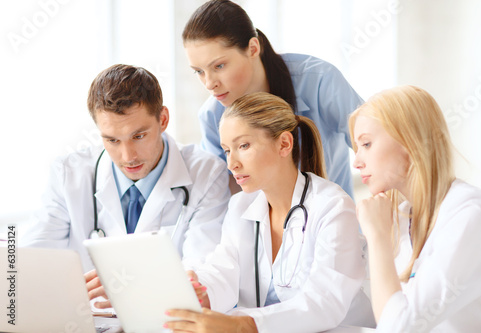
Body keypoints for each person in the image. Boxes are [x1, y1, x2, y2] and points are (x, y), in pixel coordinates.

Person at [165, 92, 375, 333]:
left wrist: (245, 324)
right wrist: (201, 291)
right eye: (226, 150)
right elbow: (224, 270)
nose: (231, 163)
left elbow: (324, 303)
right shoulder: (241, 205)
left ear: (284, 144)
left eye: (243, 146)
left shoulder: (332, 207)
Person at [21, 64, 231, 305]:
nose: (127, 156)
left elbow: (201, 276)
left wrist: (134, 290)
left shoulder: (207, 172)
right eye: (112, 140)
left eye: (138, 136)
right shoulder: (69, 174)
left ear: (163, 119)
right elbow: (33, 263)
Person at [349, 85, 481, 332]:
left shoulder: (472, 215)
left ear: (409, 142)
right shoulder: (401, 217)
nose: (356, 161)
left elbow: (397, 327)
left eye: (366, 144)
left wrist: (377, 238)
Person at [182, 0, 363, 197]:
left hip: (335, 217)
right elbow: (222, 193)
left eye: (219, 66)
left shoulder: (319, 81)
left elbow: (373, 142)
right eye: (199, 71)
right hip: (263, 225)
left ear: (252, 48)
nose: (209, 84)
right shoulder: (212, 117)